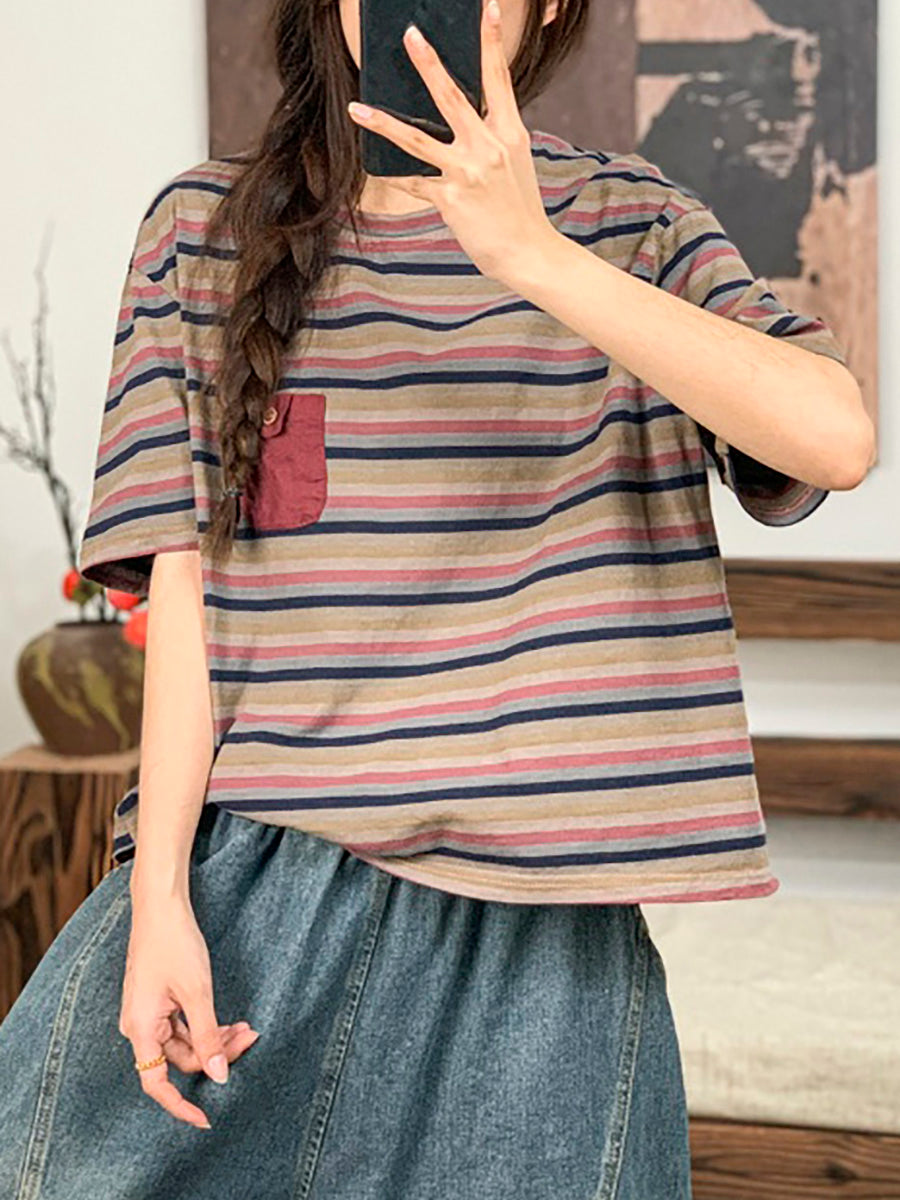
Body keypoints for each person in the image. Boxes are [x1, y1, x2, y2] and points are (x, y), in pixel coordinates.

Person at [0, 0, 872, 1196]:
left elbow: (834, 438)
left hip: (544, 933)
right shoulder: (199, 233)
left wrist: (530, 254)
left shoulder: (637, 223)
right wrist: (154, 898)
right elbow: (189, 598)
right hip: (254, 893)